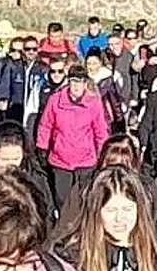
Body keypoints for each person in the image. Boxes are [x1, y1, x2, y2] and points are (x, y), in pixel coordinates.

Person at [58, 135, 157, 240]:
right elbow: (66, 224)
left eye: (124, 166)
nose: (117, 173)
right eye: (111, 165)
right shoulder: (86, 188)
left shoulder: (149, 189)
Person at [37, 65, 110, 219]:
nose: (76, 86)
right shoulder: (55, 100)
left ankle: (83, 231)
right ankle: (64, 232)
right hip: (60, 159)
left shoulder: (93, 103)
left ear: (86, 84)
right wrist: (42, 147)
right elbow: (45, 125)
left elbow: (100, 131)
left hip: (86, 161)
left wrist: (103, 153)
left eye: (80, 82)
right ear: (68, 82)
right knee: (62, 200)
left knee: (84, 199)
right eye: (73, 81)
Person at [0, 120, 54, 218]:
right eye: (5, 159)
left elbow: (47, 211)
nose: (11, 165)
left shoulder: (35, 178)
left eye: (16, 158)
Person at [0, 35, 48, 135]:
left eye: (34, 49)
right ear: (23, 51)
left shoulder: (43, 69)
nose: (31, 52)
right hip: (16, 108)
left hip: (34, 111)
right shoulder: (14, 66)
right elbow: (5, 83)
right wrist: (4, 98)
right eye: (27, 49)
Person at [85, 48, 129, 136]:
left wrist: (120, 122)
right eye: (89, 64)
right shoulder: (84, 80)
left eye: (94, 63)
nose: (91, 67)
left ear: (100, 63)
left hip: (104, 117)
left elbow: (115, 102)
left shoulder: (107, 80)